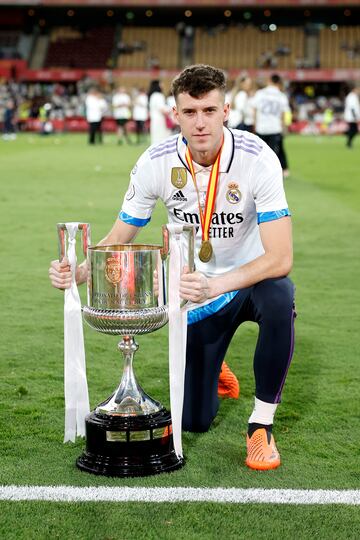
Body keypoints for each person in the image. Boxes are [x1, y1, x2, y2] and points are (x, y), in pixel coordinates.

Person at [49, 64, 295, 471]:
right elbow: (120, 235)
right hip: (195, 297)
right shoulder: (156, 161)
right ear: (175, 114)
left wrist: (218, 285)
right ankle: (216, 368)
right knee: (195, 420)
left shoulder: (257, 158)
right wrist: (77, 272)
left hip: (249, 280)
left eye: (210, 111)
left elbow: (281, 258)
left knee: (280, 294)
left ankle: (260, 426)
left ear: (227, 110)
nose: (201, 123)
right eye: (190, 112)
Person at [253, 74, 291, 178]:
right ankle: (272, 173)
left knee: (259, 152)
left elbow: (254, 109)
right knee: (273, 153)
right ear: (278, 82)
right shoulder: (281, 96)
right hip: (274, 128)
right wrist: (284, 127)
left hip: (261, 127)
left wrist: (255, 125)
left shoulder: (260, 93)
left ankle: (259, 173)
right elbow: (284, 113)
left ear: (269, 80)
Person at [148, 80, 171, 145]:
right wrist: (172, 109)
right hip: (160, 120)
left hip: (154, 120)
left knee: (155, 139)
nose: (162, 85)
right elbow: (162, 109)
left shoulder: (152, 95)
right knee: (161, 139)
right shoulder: (158, 95)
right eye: (161, 84)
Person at [344, 84, 360, 149]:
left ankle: (349, 142)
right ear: (354, 89)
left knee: (353, 130)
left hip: (352, 116)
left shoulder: (354, 96)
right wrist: (355, 117)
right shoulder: (351, 97)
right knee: (354, 130)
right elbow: (352, 108)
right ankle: (348, 142)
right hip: (351, 117)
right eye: (358, 89)